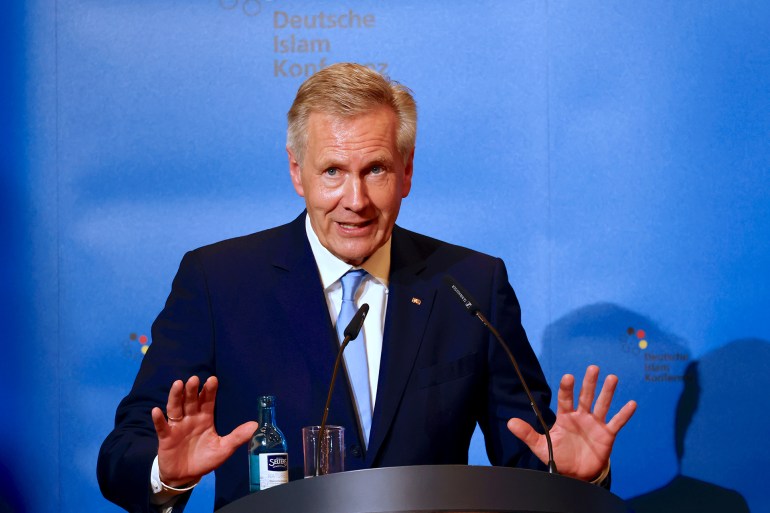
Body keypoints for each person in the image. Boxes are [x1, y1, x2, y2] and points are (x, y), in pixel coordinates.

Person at [98, 63, 637, 513]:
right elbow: (123, 453)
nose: (355, 199)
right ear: (297, 173)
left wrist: (573, 475)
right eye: (333, 170)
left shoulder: (470, 285)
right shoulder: (219, 282)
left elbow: (529, 451)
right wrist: (166, 474)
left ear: (406, 173)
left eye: (375, 170)